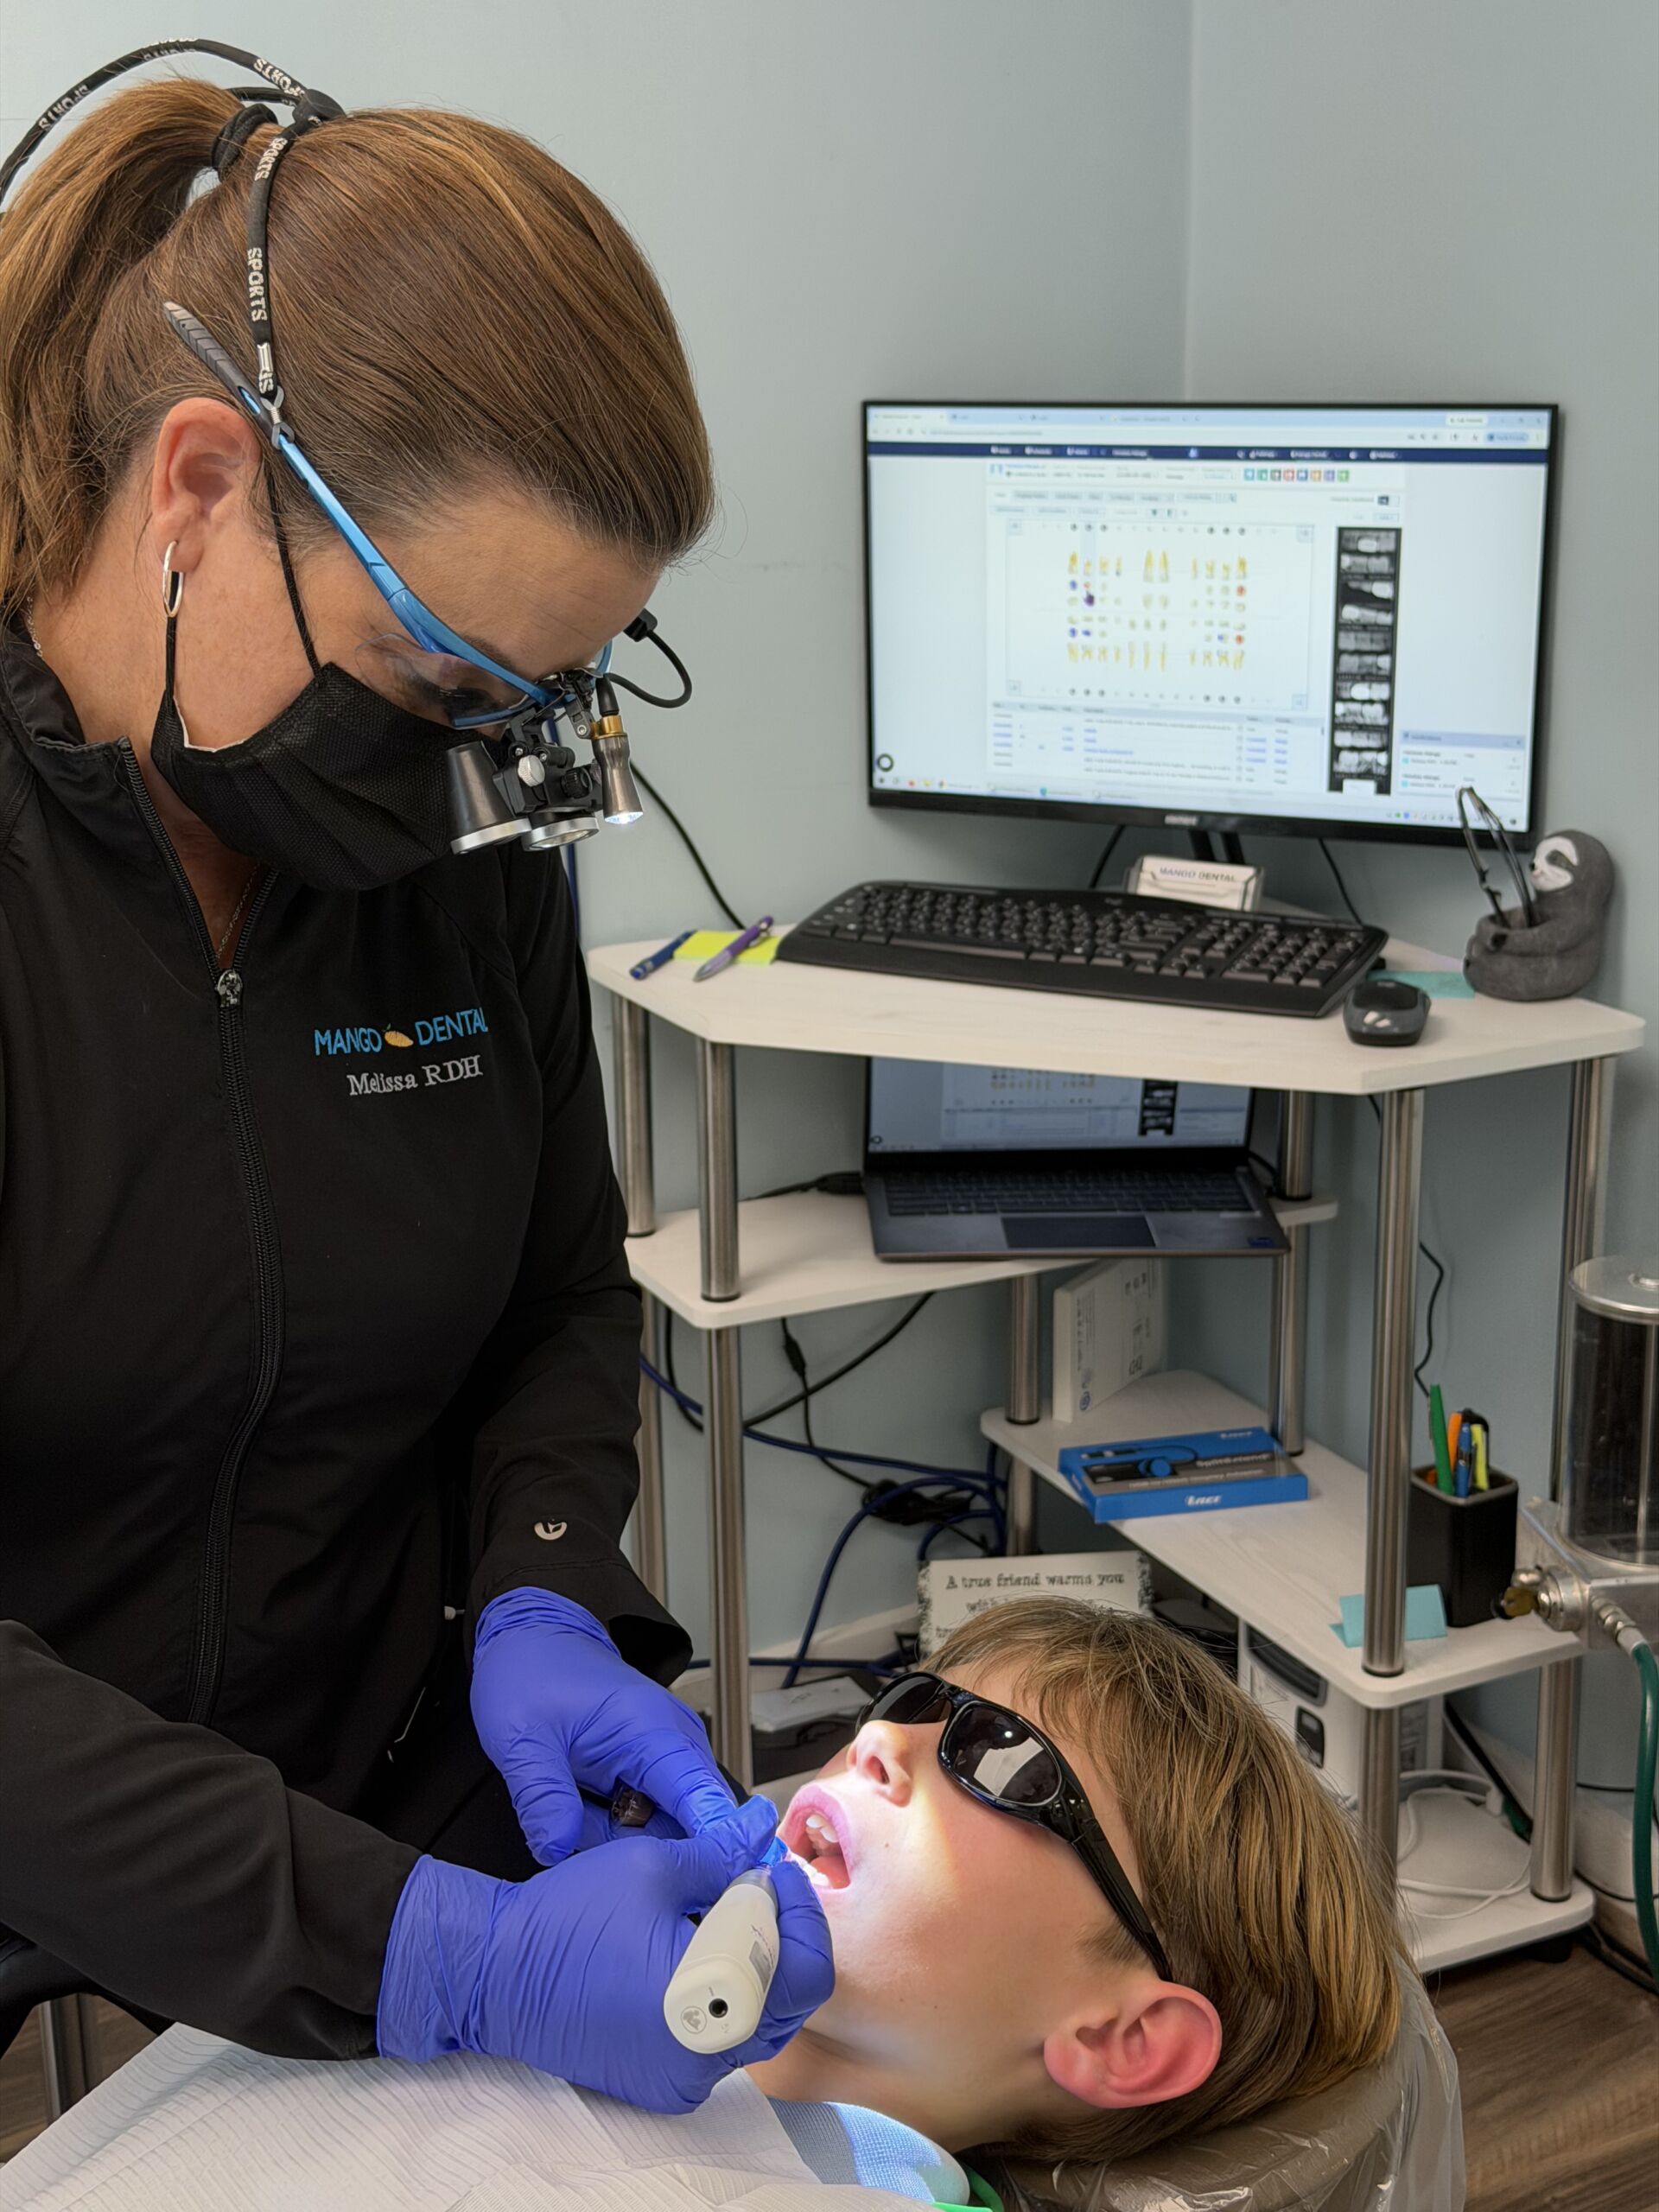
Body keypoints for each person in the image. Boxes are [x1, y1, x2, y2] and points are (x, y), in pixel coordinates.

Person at [0, 46, 826, 2109]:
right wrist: (434, 1954)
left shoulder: (446, 854)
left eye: (540, 696)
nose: (483, 767)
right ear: (200, 487)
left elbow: (557, 1292)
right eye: (440, 680)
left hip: (367, 1764)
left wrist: (546, 1580)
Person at [0, 1602, 1413, 2211]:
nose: (880, 1740)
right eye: (914, 1697)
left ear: (1120, 2036)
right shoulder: (547, 1979)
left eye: (1000, 1757)